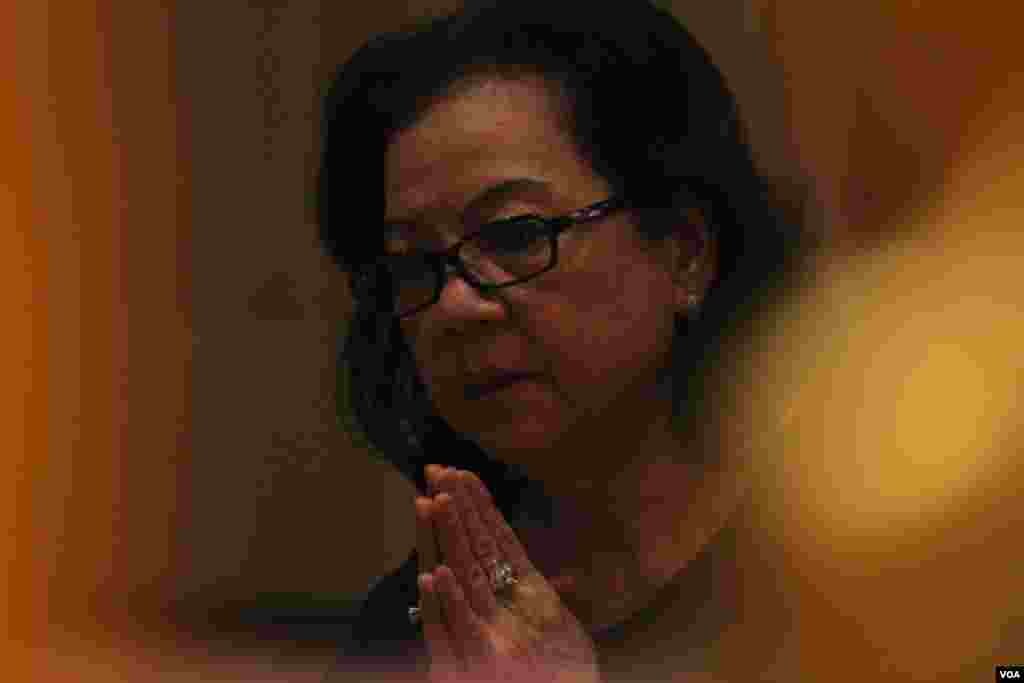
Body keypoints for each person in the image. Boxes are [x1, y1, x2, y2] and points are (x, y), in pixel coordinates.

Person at [317, 1, 804, 680]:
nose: (455, 305)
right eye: (413, 267)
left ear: (685, 251)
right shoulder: (410, 631)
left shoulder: (848, 573)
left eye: (515, 234)